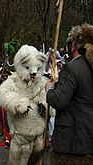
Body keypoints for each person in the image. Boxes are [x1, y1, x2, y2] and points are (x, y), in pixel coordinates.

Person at [45, 23, 93, 164]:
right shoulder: (89, 67)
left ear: (74, 46)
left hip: (71, 145)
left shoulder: (72, 68)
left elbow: (59, 100)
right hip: (88, 139)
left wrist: (50, 89)